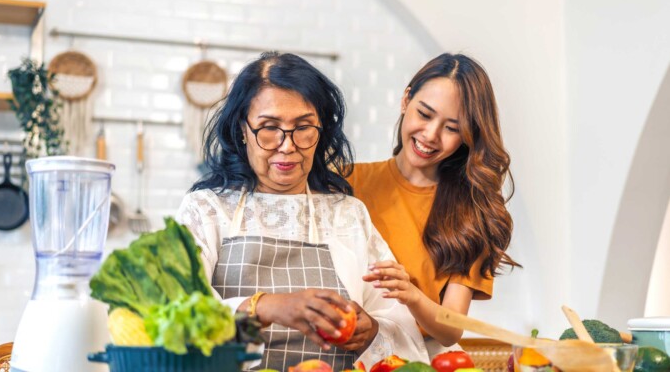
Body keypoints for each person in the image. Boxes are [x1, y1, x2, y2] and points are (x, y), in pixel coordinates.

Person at [176, 52, 429, 371]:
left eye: (303, 128)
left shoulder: (346, 215)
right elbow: (177, 312)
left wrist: (372, 331)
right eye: (269, 128)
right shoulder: (206, 209)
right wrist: (267, 308)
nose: (287, 145)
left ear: (320, 131)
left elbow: (399, 326)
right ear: (243, 130)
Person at [350, 53, 521, 351]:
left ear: (468, 136)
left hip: (422, 361)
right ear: (406, 101)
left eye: (452, 128)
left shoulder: (472, 212)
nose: (430, 135)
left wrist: (411, 294)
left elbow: (452, 330)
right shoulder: (347, 181)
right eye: (425, 114)